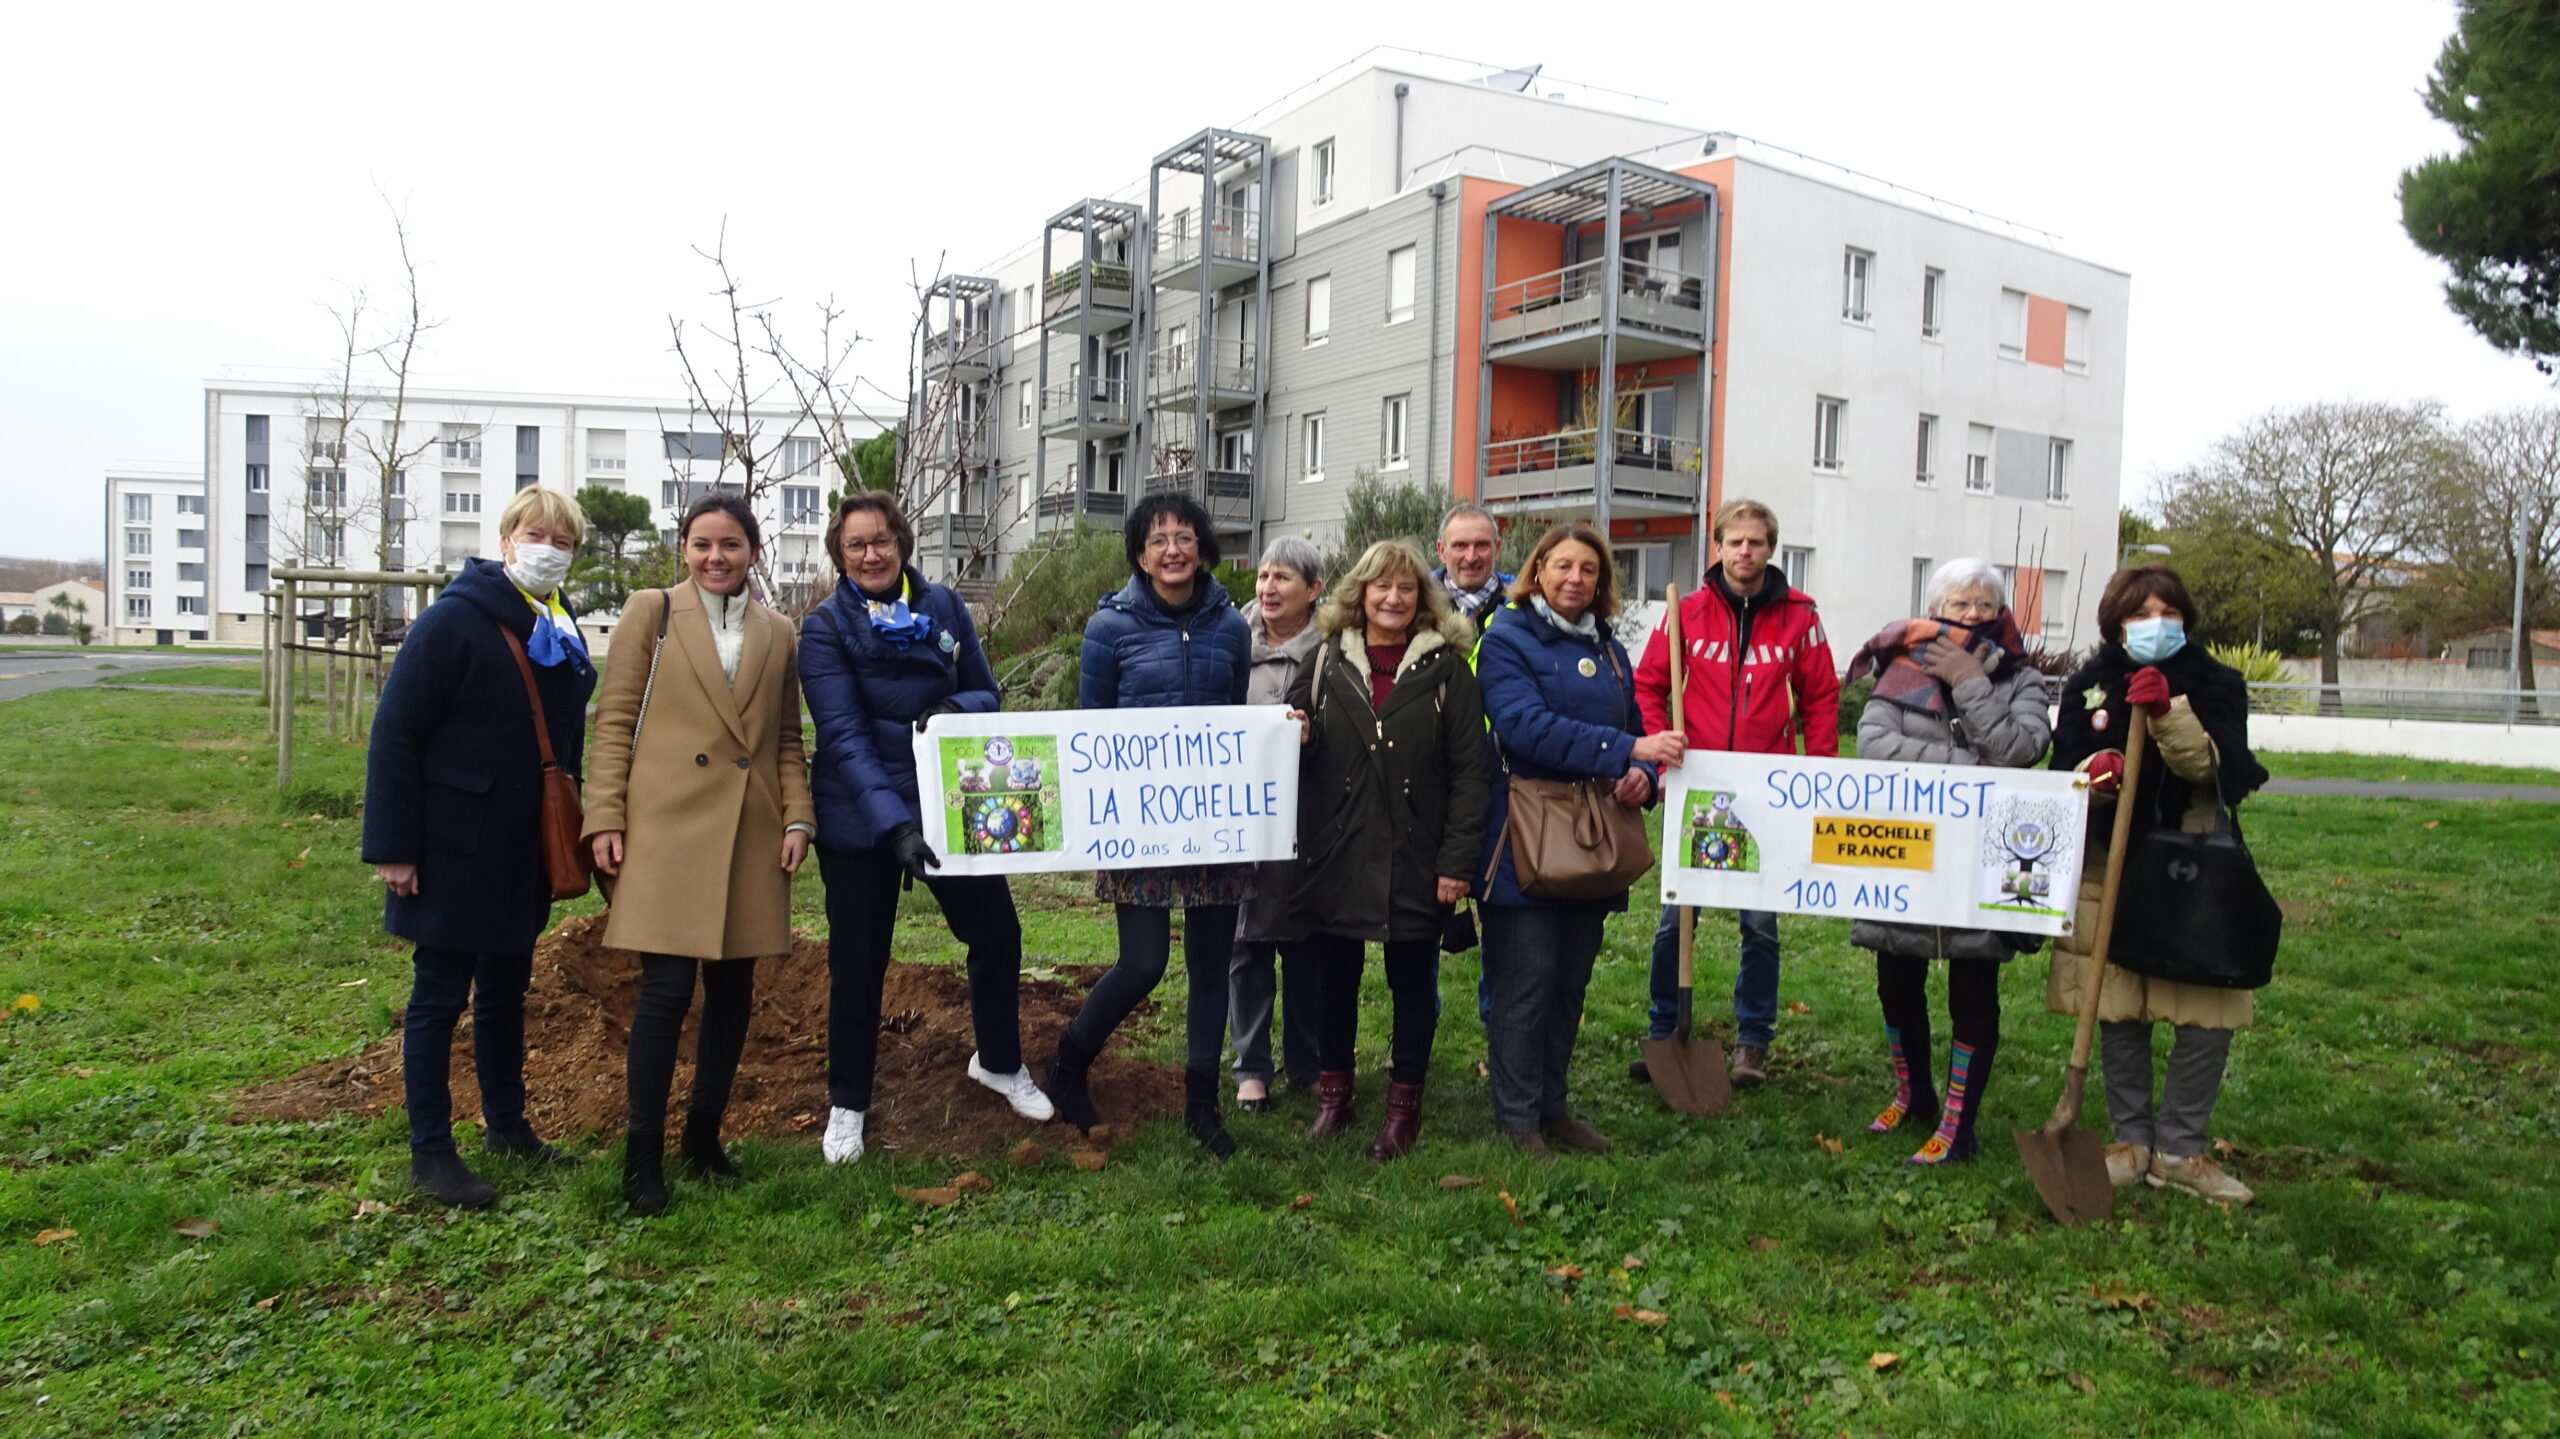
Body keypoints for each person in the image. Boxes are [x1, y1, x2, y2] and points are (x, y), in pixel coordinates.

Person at [799, 492, 1051, 1167]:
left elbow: (988, 692)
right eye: (856, 545)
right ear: (840, 555)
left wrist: (951, 703)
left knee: (996, 933)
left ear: (903, 543)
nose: (871, 553)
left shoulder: (942, 607)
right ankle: (848, 1102)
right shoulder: (825, 628)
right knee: (858, 962)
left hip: (952, 804)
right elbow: (846, 739)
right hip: (863, 819)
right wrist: (897, 831)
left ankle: (997, 1062)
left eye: (881, 539)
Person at [362, 487, 595, 1209]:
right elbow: (396, 731)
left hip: (522, 846)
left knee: (504, 991)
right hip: (453, 845)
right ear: (505, 540)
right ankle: (431, 1150)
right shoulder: (453, 622)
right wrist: (394, 847)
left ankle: (507, 1124)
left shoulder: (558, 623)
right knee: (439, 996)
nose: (548, 548)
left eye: (563, 539)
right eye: (535, 533)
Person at [584, 493, 815, 1215]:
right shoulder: (649, 614)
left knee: (734, 990)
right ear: (682, 547)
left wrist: (798, 819)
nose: (717, 557)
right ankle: (640, 1156)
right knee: (665, 990)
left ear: (754, 552)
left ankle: (703, 1137)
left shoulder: (778, 632)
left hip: (749, 830)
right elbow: (614, 721)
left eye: (733, 545)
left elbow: (785, 740)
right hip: (665, 828)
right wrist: (604, 818)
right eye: (702, 543)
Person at [2048, 565, 2269, 1205]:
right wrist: (2097, 769)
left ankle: (2180, 1148)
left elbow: (2213, 768)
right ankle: (2130, 1141)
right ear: (2116, 622)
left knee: (2205, 1010)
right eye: (2140, 614)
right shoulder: (2090, 684)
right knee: (2116, 1003)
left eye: (2166, 612)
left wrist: (2168, 713)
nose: (2154, 625)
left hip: (2191, 864)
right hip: (2110, 861)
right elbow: (2065, 766)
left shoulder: (2215, 684)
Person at [1045, 494, 1252, 1156]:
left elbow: (1239, 718)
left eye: (1184, 537)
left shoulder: (1232, 627)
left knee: (1211, 963)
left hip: (1214, 823)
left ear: (1202, 547)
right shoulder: (1110, 628)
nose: (1172, 549)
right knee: (1143, 962)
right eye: (1158, 538)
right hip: (1140, 822)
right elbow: (1091, 729)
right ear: (1138, 552)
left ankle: (1201, 1101)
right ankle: (1068, 1062)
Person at [1476, 524, 1681, 1157]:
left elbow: (1639, 725)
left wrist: (1643, 775)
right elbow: (1521, 726)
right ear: (1537, 571)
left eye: (1588, 570)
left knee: (1569, 984)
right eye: (1562, 566)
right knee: (1526, 983)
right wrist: (1625, 750)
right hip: (1528, 835)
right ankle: (1517, 1121)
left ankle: (1552, 1106)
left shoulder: (1611, 647)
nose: (1575, 579)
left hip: (1594, 837)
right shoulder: (1507, 638)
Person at [1839, 559, 2051, 1165]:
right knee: (1896, 983)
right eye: (1961, 605)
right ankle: (1914, 1096)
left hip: (1979, 860)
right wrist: (1968, 772)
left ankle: (1960, 1126)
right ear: (1937, 610)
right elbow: (1876, 749)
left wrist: (1971, 683)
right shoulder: (1899, 672)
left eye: (1986, 605)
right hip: (1902, 854)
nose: (1975, 615)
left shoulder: (2021, 680)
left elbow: (2019, 750)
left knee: (1973, 991)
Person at [1287, 540, 1489, 1160]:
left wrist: (1456, 865)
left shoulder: (1448, 671)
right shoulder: (1323, 660)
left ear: (1422, 597)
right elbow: (1292, 736)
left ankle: (1404, 1108)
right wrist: (1295, 729)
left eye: (1405, 588)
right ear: (1361, 593)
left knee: (1412, 982)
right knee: (1333, 982)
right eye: (1381, 587)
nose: (1393, 598)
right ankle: (1334, 1098)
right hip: (1338, 851)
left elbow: (1471, 775)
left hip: (1417, 854)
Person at [1632, 498, 1839, 1089]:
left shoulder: (1800, 617)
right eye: (1734, 541)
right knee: (1677, 920)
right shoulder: (1687, 613)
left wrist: (1818, 775)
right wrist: (1661, 746)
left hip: (1768, 790)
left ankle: (1753, 1042)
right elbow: (1650, 685)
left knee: (1760, 924)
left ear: (1770, 549)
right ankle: (1665, 1031)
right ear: (1716, 546)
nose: (1744, 551)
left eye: (1756, 542)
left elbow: (1822, 698)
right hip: (1698, 784)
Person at [1230, 537, 1326, 1112]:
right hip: (1241, 816)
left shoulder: (1335, 651)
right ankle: (1250, 1067)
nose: (1267, 588)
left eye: (1283, 578)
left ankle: (1308, 1063)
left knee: (1308, 942)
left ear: (1313, 590)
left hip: (1309, 815)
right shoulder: (1230, 642)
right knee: (1246, 942)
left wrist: (1315, 736)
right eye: (1263, 576)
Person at [1432, 501, 1514, 636]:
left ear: (1497, 549)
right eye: (1460, 546)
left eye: (1481, 545)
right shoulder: (1417, 605)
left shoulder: (1524, 607)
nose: (1471, 558)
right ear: (1441, 551)